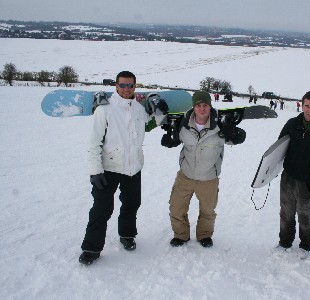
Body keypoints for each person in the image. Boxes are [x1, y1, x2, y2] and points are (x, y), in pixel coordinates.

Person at [78, 71, 168, 265]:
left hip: (133, 168)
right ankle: (91, 248)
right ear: (116, 86)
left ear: (135, 87)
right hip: (108, 168)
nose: (126, 89)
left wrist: (160, 111)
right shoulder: (105, 109)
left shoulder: (138, 109)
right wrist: (95, 171)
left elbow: (153, 123)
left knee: (131, 204)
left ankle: (127, 235)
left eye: (130, 85)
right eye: (122, 85)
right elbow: (93, 143)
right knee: (102, 209)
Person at [161, 91, 246, 248]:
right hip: (186, 175)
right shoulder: (183, 123)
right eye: (198, 105)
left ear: (210, 106)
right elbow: (173, 137)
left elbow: (238, 139)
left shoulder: (220, 123)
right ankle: (181, 235)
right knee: (176, 207)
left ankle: (204, 235)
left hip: (209, 178)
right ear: (193, 107)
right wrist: (169, 139)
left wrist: (235, 133)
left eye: (205, 105)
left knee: (208, 211)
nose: (202, 109)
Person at [277, 90, 310, 259]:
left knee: (305, 216)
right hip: (288, 177)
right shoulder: (292, 123)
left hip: (307, 181)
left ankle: (305, 244)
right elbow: (279, 146)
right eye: (307, 106)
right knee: (286, 213)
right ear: (302, 105)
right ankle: (285, 242)